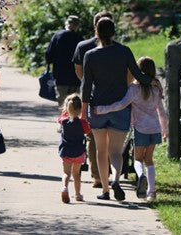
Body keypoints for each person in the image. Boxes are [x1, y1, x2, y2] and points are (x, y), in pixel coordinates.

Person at [81, 17, 152, 201]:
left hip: (98, 109)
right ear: (113, 32)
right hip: (121, 108)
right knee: (116, 152)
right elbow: (138, 74)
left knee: (101, 151)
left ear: (96, 32)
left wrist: (83, 111)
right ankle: (116, 180)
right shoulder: (124, 51)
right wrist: (152, 83)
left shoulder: (90, 55)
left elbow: (86, 86)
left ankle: (105, 190)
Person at [94, 56, 168, 202]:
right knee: (150, 160)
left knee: (138, 159)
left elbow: (121, 105)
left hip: (140, 129)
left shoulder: (134, 89)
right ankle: (152, 192)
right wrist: (165, 129)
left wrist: (103, 109)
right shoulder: (156, 88)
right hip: (154, 129)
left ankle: (140, 176)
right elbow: (161, 111)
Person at [72, 11, 113, 189]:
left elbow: (78, 71)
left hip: (90, 94)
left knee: (92, 137)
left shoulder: (82, 46)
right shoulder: (117, 47)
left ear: (94, 26)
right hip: (113, 95)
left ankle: (98, 176)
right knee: (111, 136)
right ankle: (108, 174)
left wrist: (86, 85)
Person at [45, 15, 83, 112]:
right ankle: (73, 124)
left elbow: (48, 56)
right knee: (75, 103)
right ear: (77, 26)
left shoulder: (57, 36)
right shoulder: (80, 38)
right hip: (76, 77)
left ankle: (64, 125)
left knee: (63, 102)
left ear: (67, 23)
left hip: (61, 76)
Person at [58, 94, 90, 203]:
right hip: (78, 152)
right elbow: (87, 131)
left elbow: (61, 118)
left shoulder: (63, 120)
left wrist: (67, 112)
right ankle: (77, 195)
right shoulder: (82, 123)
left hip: (66, 151)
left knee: (66, 173)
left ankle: (64, 188)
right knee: (76, 174)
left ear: (67, 107)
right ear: (80, 108)